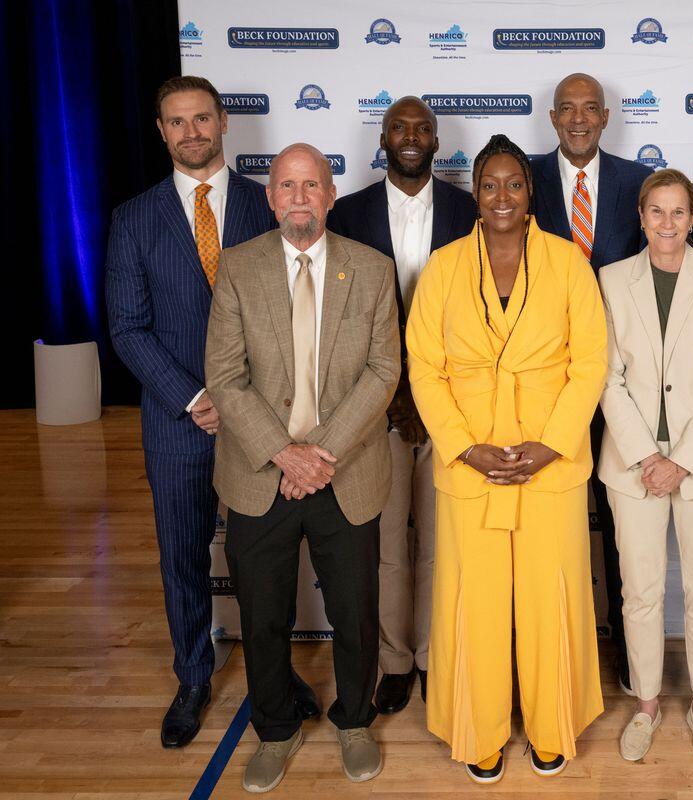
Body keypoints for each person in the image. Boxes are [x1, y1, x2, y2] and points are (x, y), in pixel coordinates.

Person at [105, 75, 317, 749]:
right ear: (162, 131)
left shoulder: (267, 207)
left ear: (224, 122)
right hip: (179, 425)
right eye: (177, 121)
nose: (191, 131)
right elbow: (129, 327)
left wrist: (246, 404)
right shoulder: (133, 219)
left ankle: (275, 675)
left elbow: (293, 317)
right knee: (182, 555)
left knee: (267, 557)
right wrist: (196, 398)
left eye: (202, 118)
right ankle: (193, 675)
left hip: (263, 423)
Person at [407, 134, 607, 784]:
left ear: (530, 194)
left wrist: (550, 444)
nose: (501, 196)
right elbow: (424, 370)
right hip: (473, 464)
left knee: (552, 597)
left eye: (513, 185)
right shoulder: (441, 267)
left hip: (550, 463)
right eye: (489, 185)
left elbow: (590, 363)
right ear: (476, 193)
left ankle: (552, 726)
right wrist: (466, 447)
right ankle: (480, 731)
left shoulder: (568, 261)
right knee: (476, 602)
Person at [205, 143, 401, 791]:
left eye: (310, 185)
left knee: (354, 611)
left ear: (330, 195)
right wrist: (284, 452)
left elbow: (383, 373)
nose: (297, 196)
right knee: (261, 617)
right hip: (260, 475)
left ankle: (353, 721)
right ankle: (275, 729)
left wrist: (320, 454)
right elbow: (225, 377)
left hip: (344, 475)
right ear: (269, 197)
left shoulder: (371, 270)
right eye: (285, 185)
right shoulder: (238, 268)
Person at [327, 95, 476, 715]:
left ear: (438, 141)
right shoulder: (351, 212)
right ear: (383, 138)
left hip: (451, 409)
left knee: (442, 546)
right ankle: (394, 663)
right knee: (388, 545)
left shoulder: (470, 211)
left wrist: (436, 400)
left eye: (423, 128)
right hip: (374, 409)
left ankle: (436, 655)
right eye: (399, 127)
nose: (411, 137)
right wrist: (386, 399)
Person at [598, 169, 693, 764]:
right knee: (640, 592)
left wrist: (680, 462)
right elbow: (606, 379)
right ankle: (647, 703)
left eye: (677, 212)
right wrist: (647, 456)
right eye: (655, 212)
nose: (666, 224)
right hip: (632, 464)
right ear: (640, 216)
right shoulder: (610, 280)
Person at [531, 72, 653, 692]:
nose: (578, 120)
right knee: (551, 528)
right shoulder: (520, 179)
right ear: (552, 117)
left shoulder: (638, 184)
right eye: (567, 110)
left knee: (622, 530)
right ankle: (555, 652)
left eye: (590, 110)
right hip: (542, 388)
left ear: (606, 117)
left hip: (620, 385)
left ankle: (632, 659)